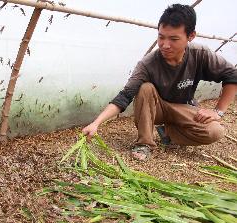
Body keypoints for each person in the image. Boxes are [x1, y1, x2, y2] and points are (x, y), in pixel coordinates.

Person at [82, 4, 237, 161]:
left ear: (190, 36)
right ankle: (144, 143)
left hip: (183, 108)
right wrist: (96, 123)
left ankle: (168, 133)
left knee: (215, 132)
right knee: (145, 88)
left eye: (174, 39)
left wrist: (218, 111)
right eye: (161, 37)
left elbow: (232, 75)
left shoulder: (200, 54)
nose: (165, 45)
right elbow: (125, 96)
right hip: (156, 109)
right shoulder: (148, 64)